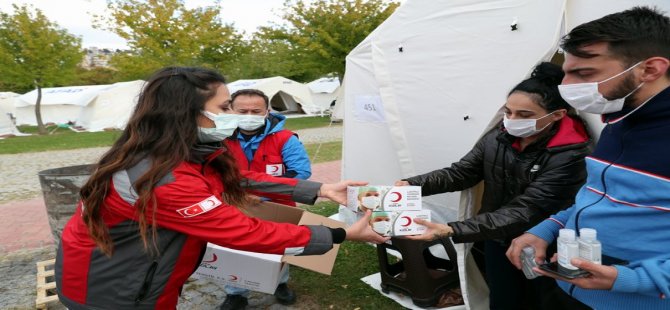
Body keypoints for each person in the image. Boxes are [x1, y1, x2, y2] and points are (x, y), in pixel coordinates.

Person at [54, 66, 388, 309]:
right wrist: (341, 234)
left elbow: (236, 179)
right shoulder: (163, 177)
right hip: (112, 293)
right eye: (225, 107)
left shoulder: (176, 153)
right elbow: (247, 232)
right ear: (188, 113)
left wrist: (319, 189)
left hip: (143, 278)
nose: (235, 115)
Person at [506, 6, 670, 309]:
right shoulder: (618, 119)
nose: (565, 87)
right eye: (567, 72)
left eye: (584, 74)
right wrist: (546, 228)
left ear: (649, 69)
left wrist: (629, 279)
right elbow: (596, 198)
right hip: (570, 287)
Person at [395, 62, 591, 309]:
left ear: (557, 115)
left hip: (543, 243)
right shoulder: (497, 137)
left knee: (540, 300)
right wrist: (412, 185)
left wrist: (452, 229)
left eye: (524, 115)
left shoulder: (570, 154)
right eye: (508, 112)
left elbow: (525, 210)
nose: (511, 120)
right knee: (502, 298)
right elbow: (461, 173)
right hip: (495, 237)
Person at [220, 89, 311, 308]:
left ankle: (279, 284)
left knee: (279, 246)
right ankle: (236, 292)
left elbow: (300, 172)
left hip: (277, 205)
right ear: (231, 110)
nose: (249, 115)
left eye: (256, 111)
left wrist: (264, 194)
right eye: (243, 111)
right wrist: (238, 195)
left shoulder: (285, 138)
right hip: (234, 205)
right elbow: (210, 174)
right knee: (234, 248)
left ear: (267, 111)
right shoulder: (219, 138)